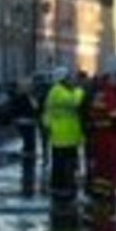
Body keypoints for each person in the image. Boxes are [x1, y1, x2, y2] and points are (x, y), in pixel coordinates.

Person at [43, 66, 85, 214]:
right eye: (69, 77)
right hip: (64, 136)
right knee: (64, 165)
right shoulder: (58, 91)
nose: (72, 80)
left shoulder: (57, 91)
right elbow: (74, 102)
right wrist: (80, 90)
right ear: (62, 78)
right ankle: (64, 191)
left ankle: (62, 189)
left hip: (64, 135)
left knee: (63, 165)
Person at [85, 73, 116, 217]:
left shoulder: (98, 96)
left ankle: (100, 191)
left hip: (98, 135)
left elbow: (92, 114)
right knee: (111, 165)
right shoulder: (111, 97)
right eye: (114, 80)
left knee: (100, 165)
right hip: (110, 136)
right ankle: (109, 192)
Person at [10, 77, 40, 195]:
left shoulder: (30, 97)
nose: (30, 88)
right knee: (29, 143)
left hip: (29, 122)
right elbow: (20, 109)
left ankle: (28, 169)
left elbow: (36, 108)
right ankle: (27, 171)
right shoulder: (21, 98)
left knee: (30, 143)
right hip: (25, 121)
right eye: (28, 86)